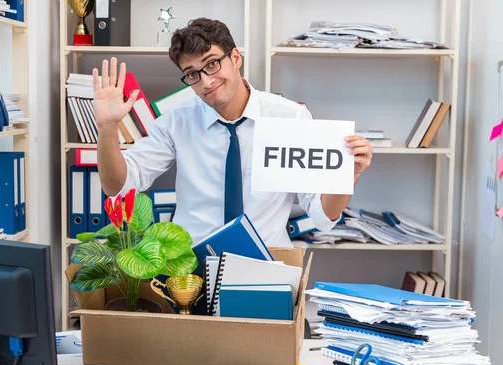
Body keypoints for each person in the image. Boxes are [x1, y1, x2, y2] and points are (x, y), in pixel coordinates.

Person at [92, 17, 372, 247]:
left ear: (235, 57)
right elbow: (118, 186)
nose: (207, 81)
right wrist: (107, 128)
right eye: (192, 74)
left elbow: (323, 217)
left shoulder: (290, 117)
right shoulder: (176, 121)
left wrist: (348, 175)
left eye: (212, 63)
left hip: (268, 264)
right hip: (191, 269)